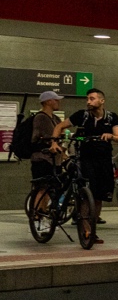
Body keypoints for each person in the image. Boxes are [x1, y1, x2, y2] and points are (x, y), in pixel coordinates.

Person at [52, 88, 118, 244]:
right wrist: (54, 143)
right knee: (86, 194)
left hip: (104, 160)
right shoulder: (81, 116)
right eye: (88, 99)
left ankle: (92, 230)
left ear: (102, 101)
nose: (88, 101)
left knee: (99, 197)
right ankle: (86, 230)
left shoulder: (111, 118)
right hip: (85, 159)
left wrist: (111, 135)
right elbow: (59, 127)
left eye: (92, 99)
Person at [28, 90, 63, 228]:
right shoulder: (41, 118)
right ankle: (36, 213)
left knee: (50, 188)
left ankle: (43, 210)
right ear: (48, 101)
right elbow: (44, 137)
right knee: (42, 187)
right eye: (56, 100)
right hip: (42, 158)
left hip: (55, 159)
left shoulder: (56, 118)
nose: (58, 102)